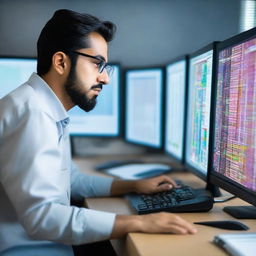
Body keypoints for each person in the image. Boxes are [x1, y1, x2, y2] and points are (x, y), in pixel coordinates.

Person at [0, 9, 197, 256]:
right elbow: (42, 217)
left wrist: (133, 185)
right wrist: (138, 223)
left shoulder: (46, 108)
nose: (105, 79)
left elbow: (69, 180)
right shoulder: (33, 113)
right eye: (97, 64)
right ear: (61, 62)